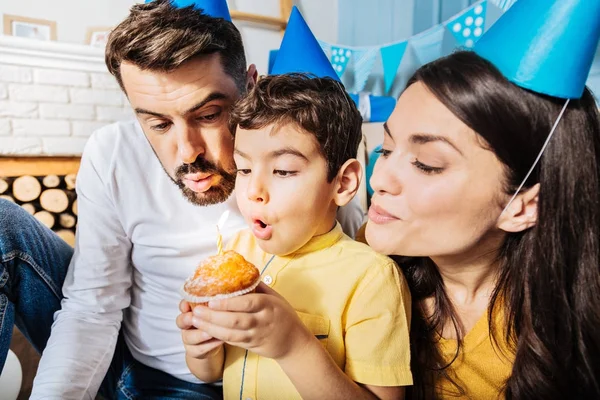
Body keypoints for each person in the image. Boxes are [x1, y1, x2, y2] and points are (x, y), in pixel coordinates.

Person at [0, 0, 363, 398]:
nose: (187, 152)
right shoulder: (113, 153)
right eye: (157, 124)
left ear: (251, 85)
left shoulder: (301, 162)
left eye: (208, 115)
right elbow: (92, 305)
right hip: (131, 363)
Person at [364, 0, 600, 398]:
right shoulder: (358, 268)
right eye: (385, 150)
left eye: (426, 163)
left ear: (522, 206)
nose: (380, 179)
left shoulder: (573, 333)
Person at [179, 72, 412, 400]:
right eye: (244, 169)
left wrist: (293, 345)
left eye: (283, 171)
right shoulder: (237, 252)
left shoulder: (371, 278)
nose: (254, 191)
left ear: (343, 183)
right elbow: (210, 372)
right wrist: (201, 350)